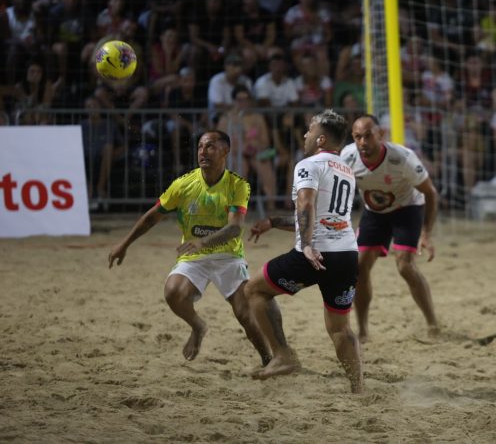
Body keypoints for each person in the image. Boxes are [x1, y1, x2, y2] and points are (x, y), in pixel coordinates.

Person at [107, 130, 272, 366]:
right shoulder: (183, 184)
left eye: (211, 146)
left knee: (245, 316)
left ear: (225, 151)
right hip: (194, 255)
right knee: (172, 292)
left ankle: (268, 360)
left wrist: (203, 241)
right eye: (200, 147)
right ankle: (198, 326)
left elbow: (235, 229)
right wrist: (124, 243)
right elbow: (152, 217)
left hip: (228, 256)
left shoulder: (238, 185)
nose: (203, 152)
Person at [245, 110, 363, 393]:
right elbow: (323, 217)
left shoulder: (307, 164)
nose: (305, 135)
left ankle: (283, 356)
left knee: (254, 290)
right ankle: (358, 388)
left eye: (310, 130)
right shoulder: (345, 170)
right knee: (339, 328)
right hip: (346, 254)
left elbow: (306, 205)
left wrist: (308, 246)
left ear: (321, 139)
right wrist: (274, 222)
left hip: (314, 254)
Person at [341, 114, 440, 342]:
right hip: (374, 213)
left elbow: (431, 193)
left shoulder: (402, 158)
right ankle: (364, 331)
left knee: (405, 266)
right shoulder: (347, 157)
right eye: (357, 137)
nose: (363, 142)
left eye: (368, 136)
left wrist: (426, 234)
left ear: (381, 134)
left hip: (407, 208)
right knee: (358, 266)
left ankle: (432, 323)